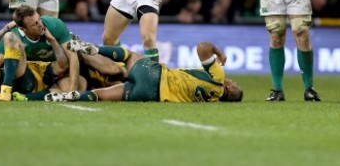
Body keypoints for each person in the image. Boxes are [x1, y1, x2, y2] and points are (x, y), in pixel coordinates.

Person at [45, 41, 243, 103]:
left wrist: (219, 53)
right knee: (102, 95)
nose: (234, 81)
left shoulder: (218, 79)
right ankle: (70, 96)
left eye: (235, 85)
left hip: (155, 76)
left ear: (229, 87)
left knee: (129, 56)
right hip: (151, 96)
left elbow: (202, 47)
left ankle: (95, 49)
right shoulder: (212, 100)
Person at [0, 4, 77, 101]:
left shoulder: (52, 26)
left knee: (10, 37)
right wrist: (5, 29)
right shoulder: (14, 33)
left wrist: (51, 39)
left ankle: (4, 89)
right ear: (23, 29)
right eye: (34, 24)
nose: (40, 25)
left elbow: (64, 65)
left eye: (39, 19)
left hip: (25, 80)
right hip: (6, 77)